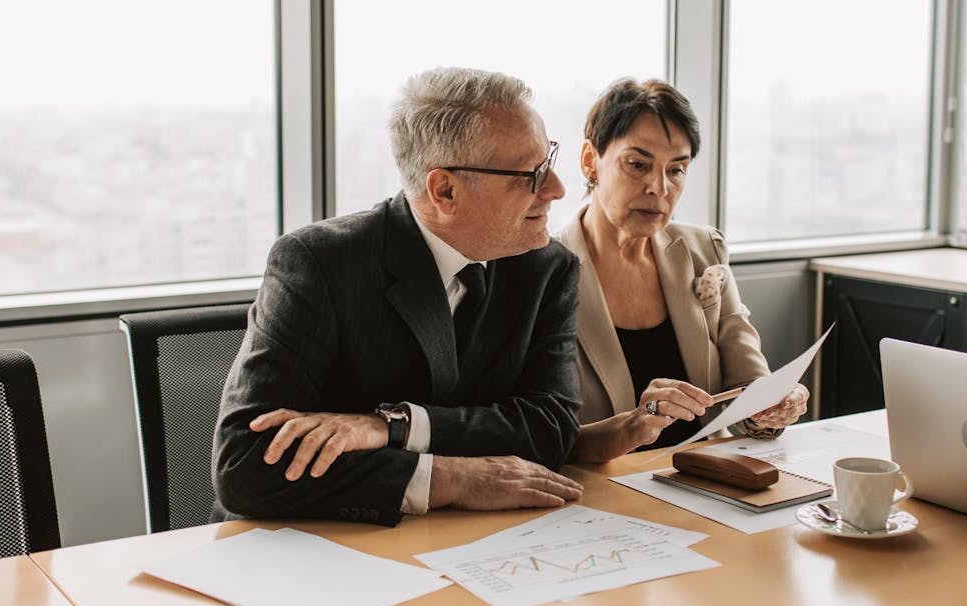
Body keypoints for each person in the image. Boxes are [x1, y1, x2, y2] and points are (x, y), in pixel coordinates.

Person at [211, 67, 584, 526]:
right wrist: (450, 478)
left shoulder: (546, 267)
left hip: (468, 545)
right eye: (532, 175)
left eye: (548, 160)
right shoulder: (319, 263)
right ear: (445, 190)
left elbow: (550, 430)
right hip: (311, 551)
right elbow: (245, 465)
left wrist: (391, 426)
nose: (557, 189)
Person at [557, 78, 809, 464]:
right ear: (590, 160)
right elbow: (536, 435)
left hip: (705, 481)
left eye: (676, 170)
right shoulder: (541, 269)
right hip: (598, 496)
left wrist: (771, 408)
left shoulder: (704, 249)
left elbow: (748, 385)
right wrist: (634, 425)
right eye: (637, 165)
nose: (659, 188)